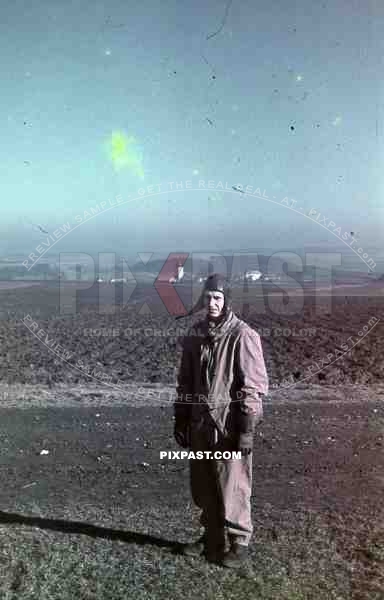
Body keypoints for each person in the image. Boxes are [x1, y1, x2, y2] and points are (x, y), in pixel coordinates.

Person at [174, 273, 269, 568]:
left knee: (233, 483)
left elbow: (253, 387)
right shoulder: (194, 335)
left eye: (218, 298)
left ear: (227, 301)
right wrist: (180, 416)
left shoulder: (243, 335)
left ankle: (238, 541)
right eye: (208, 297)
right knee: (203, 483)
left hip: (229, 424)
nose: (212, 303)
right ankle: (212, 536)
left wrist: (247, 430)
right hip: (200, 423)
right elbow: (185, 381)